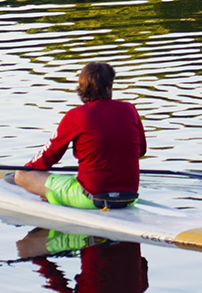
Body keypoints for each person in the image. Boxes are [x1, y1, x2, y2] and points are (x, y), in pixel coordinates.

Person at [15, 61, 146, 210]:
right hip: (130, 197)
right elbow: (140, 151)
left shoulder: (76, 116)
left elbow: (48, 157)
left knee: (21, 175)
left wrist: (27, 169)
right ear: (108, 86)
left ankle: (53, 194)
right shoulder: (130, 109)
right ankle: (56, 193)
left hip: (92, 199)